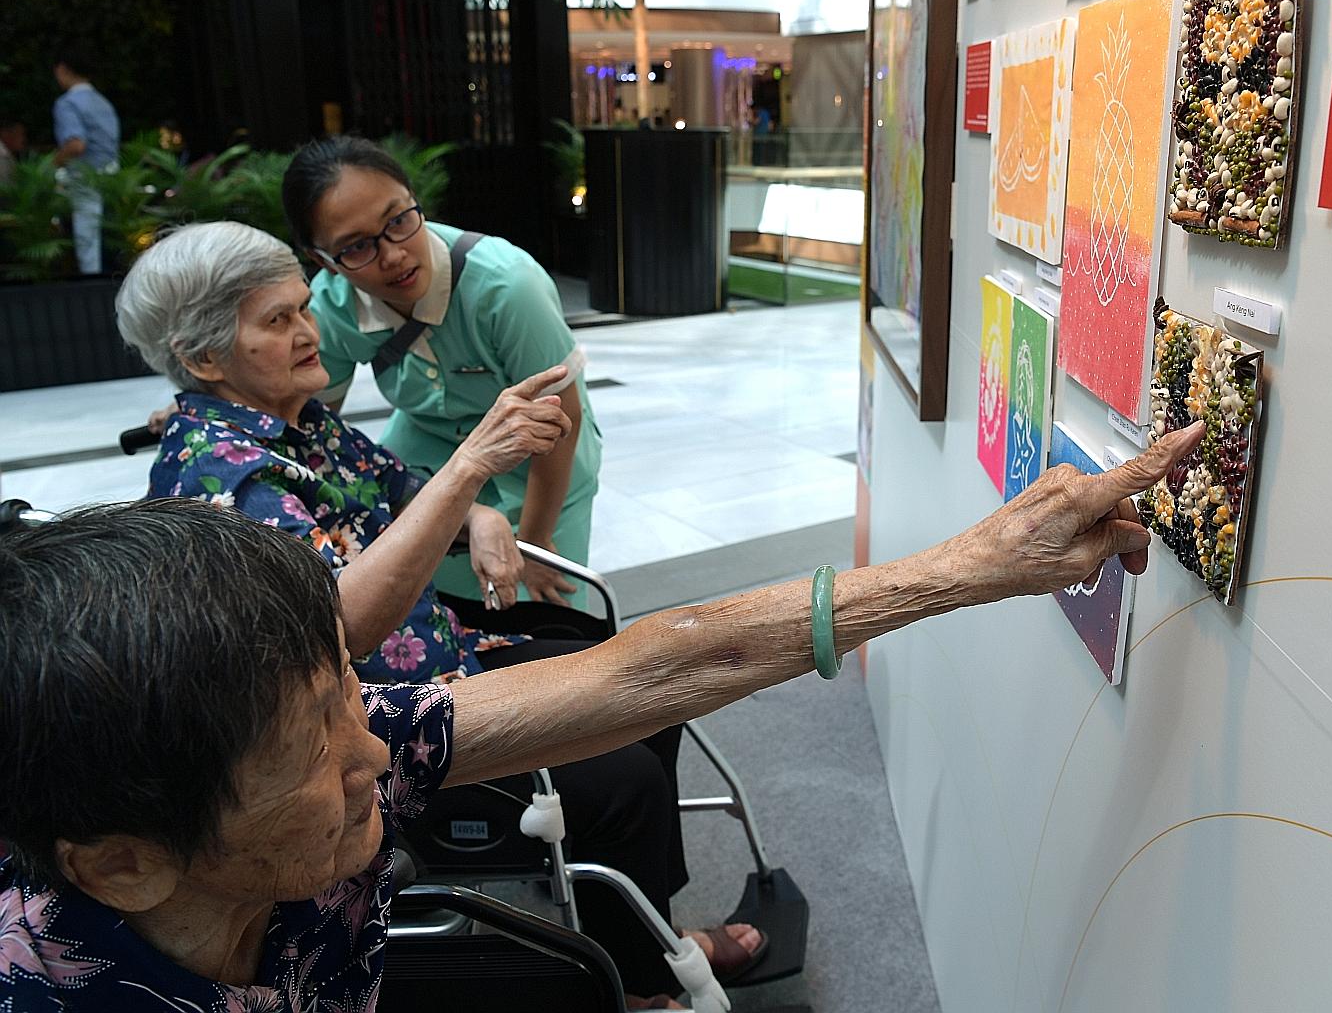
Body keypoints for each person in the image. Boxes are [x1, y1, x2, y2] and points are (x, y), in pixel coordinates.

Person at [0, 424, 1202, 1010]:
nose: (378, 749)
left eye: (344, 704)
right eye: (315, 746)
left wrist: (972, 565)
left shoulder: (308, 763)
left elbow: (652, 668)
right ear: (124, 862)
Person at [115, 221, 760, 1001]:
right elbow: (336, 628)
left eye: (302, 310)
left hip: (442, 649)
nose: (309, 331)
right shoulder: (222, 475)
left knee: (644, 686)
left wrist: (481, 515)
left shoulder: (302, 424)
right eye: (277, 321)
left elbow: (398, 485)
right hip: (362, 723)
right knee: (624, 781)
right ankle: (649, 978)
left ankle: (640, 921)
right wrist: (474, 467)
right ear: (203, 359)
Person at [282, 136, 598, 611]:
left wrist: (533, 541)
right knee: (430, 603)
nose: (393, 255)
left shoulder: (507, 286)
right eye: (356, 246)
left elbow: (560, 417)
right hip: (427, 447)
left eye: (398, 220)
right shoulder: (331, 306)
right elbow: (307, 421)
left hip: (542, 457)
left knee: (547, 613)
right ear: (321, 259)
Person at [51, 48, 120, 275]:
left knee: (87, 243)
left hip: (85, 178)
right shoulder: (103, 103)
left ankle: (90, 290)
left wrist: (51, 164)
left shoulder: (68, 104)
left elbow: (76, 144)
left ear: (62, 69)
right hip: (112, 178)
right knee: (110, 242)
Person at [0, 121, 25, 186]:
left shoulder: (6, 154)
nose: (23, 139)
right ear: (6, 134)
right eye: (20, 134)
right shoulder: (2, 156)